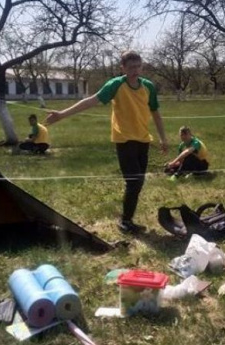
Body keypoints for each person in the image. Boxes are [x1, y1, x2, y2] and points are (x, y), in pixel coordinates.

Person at [45, 51, 168, 234]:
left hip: (143, 140)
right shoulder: (116, 85)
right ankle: (125, 221)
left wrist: (163, 137)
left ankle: (128, 219)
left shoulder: (148, 86)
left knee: (138, 182)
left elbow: (155, 112)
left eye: (138, 66)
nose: (135, 70)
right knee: (134, 181)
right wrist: (62, 115)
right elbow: (90, 101)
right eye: (131, 67)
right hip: (124, 140)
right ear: (123, 68)